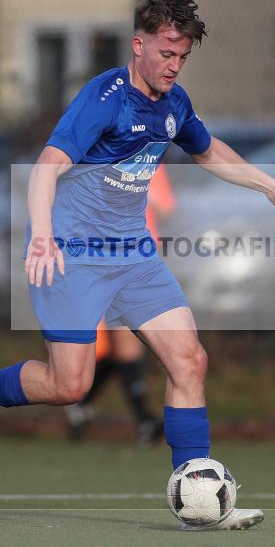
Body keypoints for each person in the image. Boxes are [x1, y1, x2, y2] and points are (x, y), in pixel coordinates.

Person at [0, 0, 275, 531]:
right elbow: (46, 166)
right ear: (138, 46)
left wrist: (271, 188)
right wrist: (42, 236)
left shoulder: (174, 104)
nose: (174, 65)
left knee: (190, 361)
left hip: (133, 256)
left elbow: (209, 151)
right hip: (72, 255)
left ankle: (199, 496)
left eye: (183, 56)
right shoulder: (105, 98)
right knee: (70, 386)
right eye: (166, 53)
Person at [65, 166, 175, 447]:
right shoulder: (103, 161)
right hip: (114, 261)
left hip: (144, 263)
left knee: (124, 346)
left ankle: (82, 406)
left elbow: (165, 207)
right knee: (128, 341)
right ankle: (145, 421)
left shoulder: (151, 158)